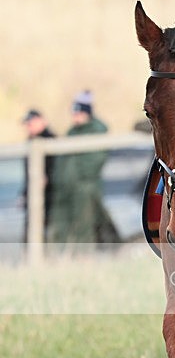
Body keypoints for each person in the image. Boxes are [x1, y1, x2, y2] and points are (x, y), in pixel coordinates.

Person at [47, 90, 120, 246]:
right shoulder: (72, 131)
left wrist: (79, 177)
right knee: (62, 225)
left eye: (78, 113)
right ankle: (61, 258)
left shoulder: (97, 129)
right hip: (66, 187)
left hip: (84, 186)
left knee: (84, 225)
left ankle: (84, 258)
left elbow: (95, 159)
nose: (75, 117)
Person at [20, 109, 56, 241]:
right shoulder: (31, 141)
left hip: (50, 194)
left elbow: (56, 168)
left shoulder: (50, 139)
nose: (28, 127)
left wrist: (48, 179)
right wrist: (24, 193)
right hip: (34, 193)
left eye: (30, 123)